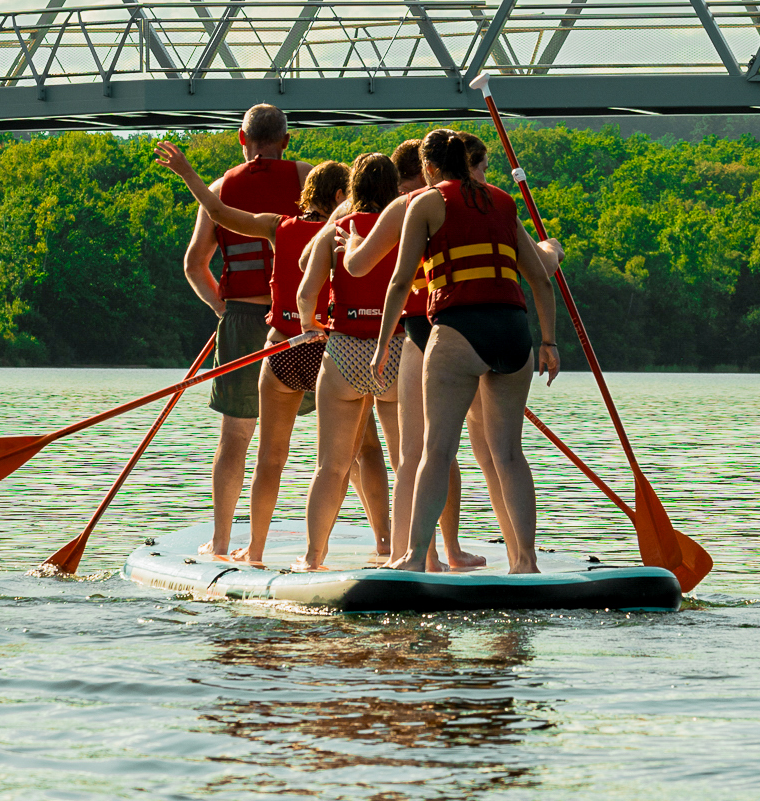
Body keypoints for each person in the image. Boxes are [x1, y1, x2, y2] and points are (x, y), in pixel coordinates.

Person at [343, 136, 563, 566]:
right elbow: (541, 279)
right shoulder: (502, 201)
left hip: (460, 328)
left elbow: (400, 282)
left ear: (428, 169)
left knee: (437, 451)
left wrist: (383, 344)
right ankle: (527, 562)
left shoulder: (425, 203)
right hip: (515, 331)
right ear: (466, 162)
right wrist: (550, 343)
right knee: (509, 454)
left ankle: (414, 556)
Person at [159, 145, 349, 566]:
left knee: (246, 443)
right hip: (326, 338)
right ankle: (372, 544)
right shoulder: (331, 202)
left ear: (244, 138)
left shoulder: (246, 204)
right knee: (346, 449)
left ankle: (232, 543)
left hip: (259, 328)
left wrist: (222, 309)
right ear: (283, 141)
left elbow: (200, 254)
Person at [294, 152, 406, 570]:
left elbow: (306, 294)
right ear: (395, 189)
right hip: (394, 352)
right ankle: (403, 554)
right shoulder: (406, 225)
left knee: (331, 467)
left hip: (343, 352)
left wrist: (311, 326)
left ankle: (312, 556)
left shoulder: (335, 230)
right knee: (405, 464)